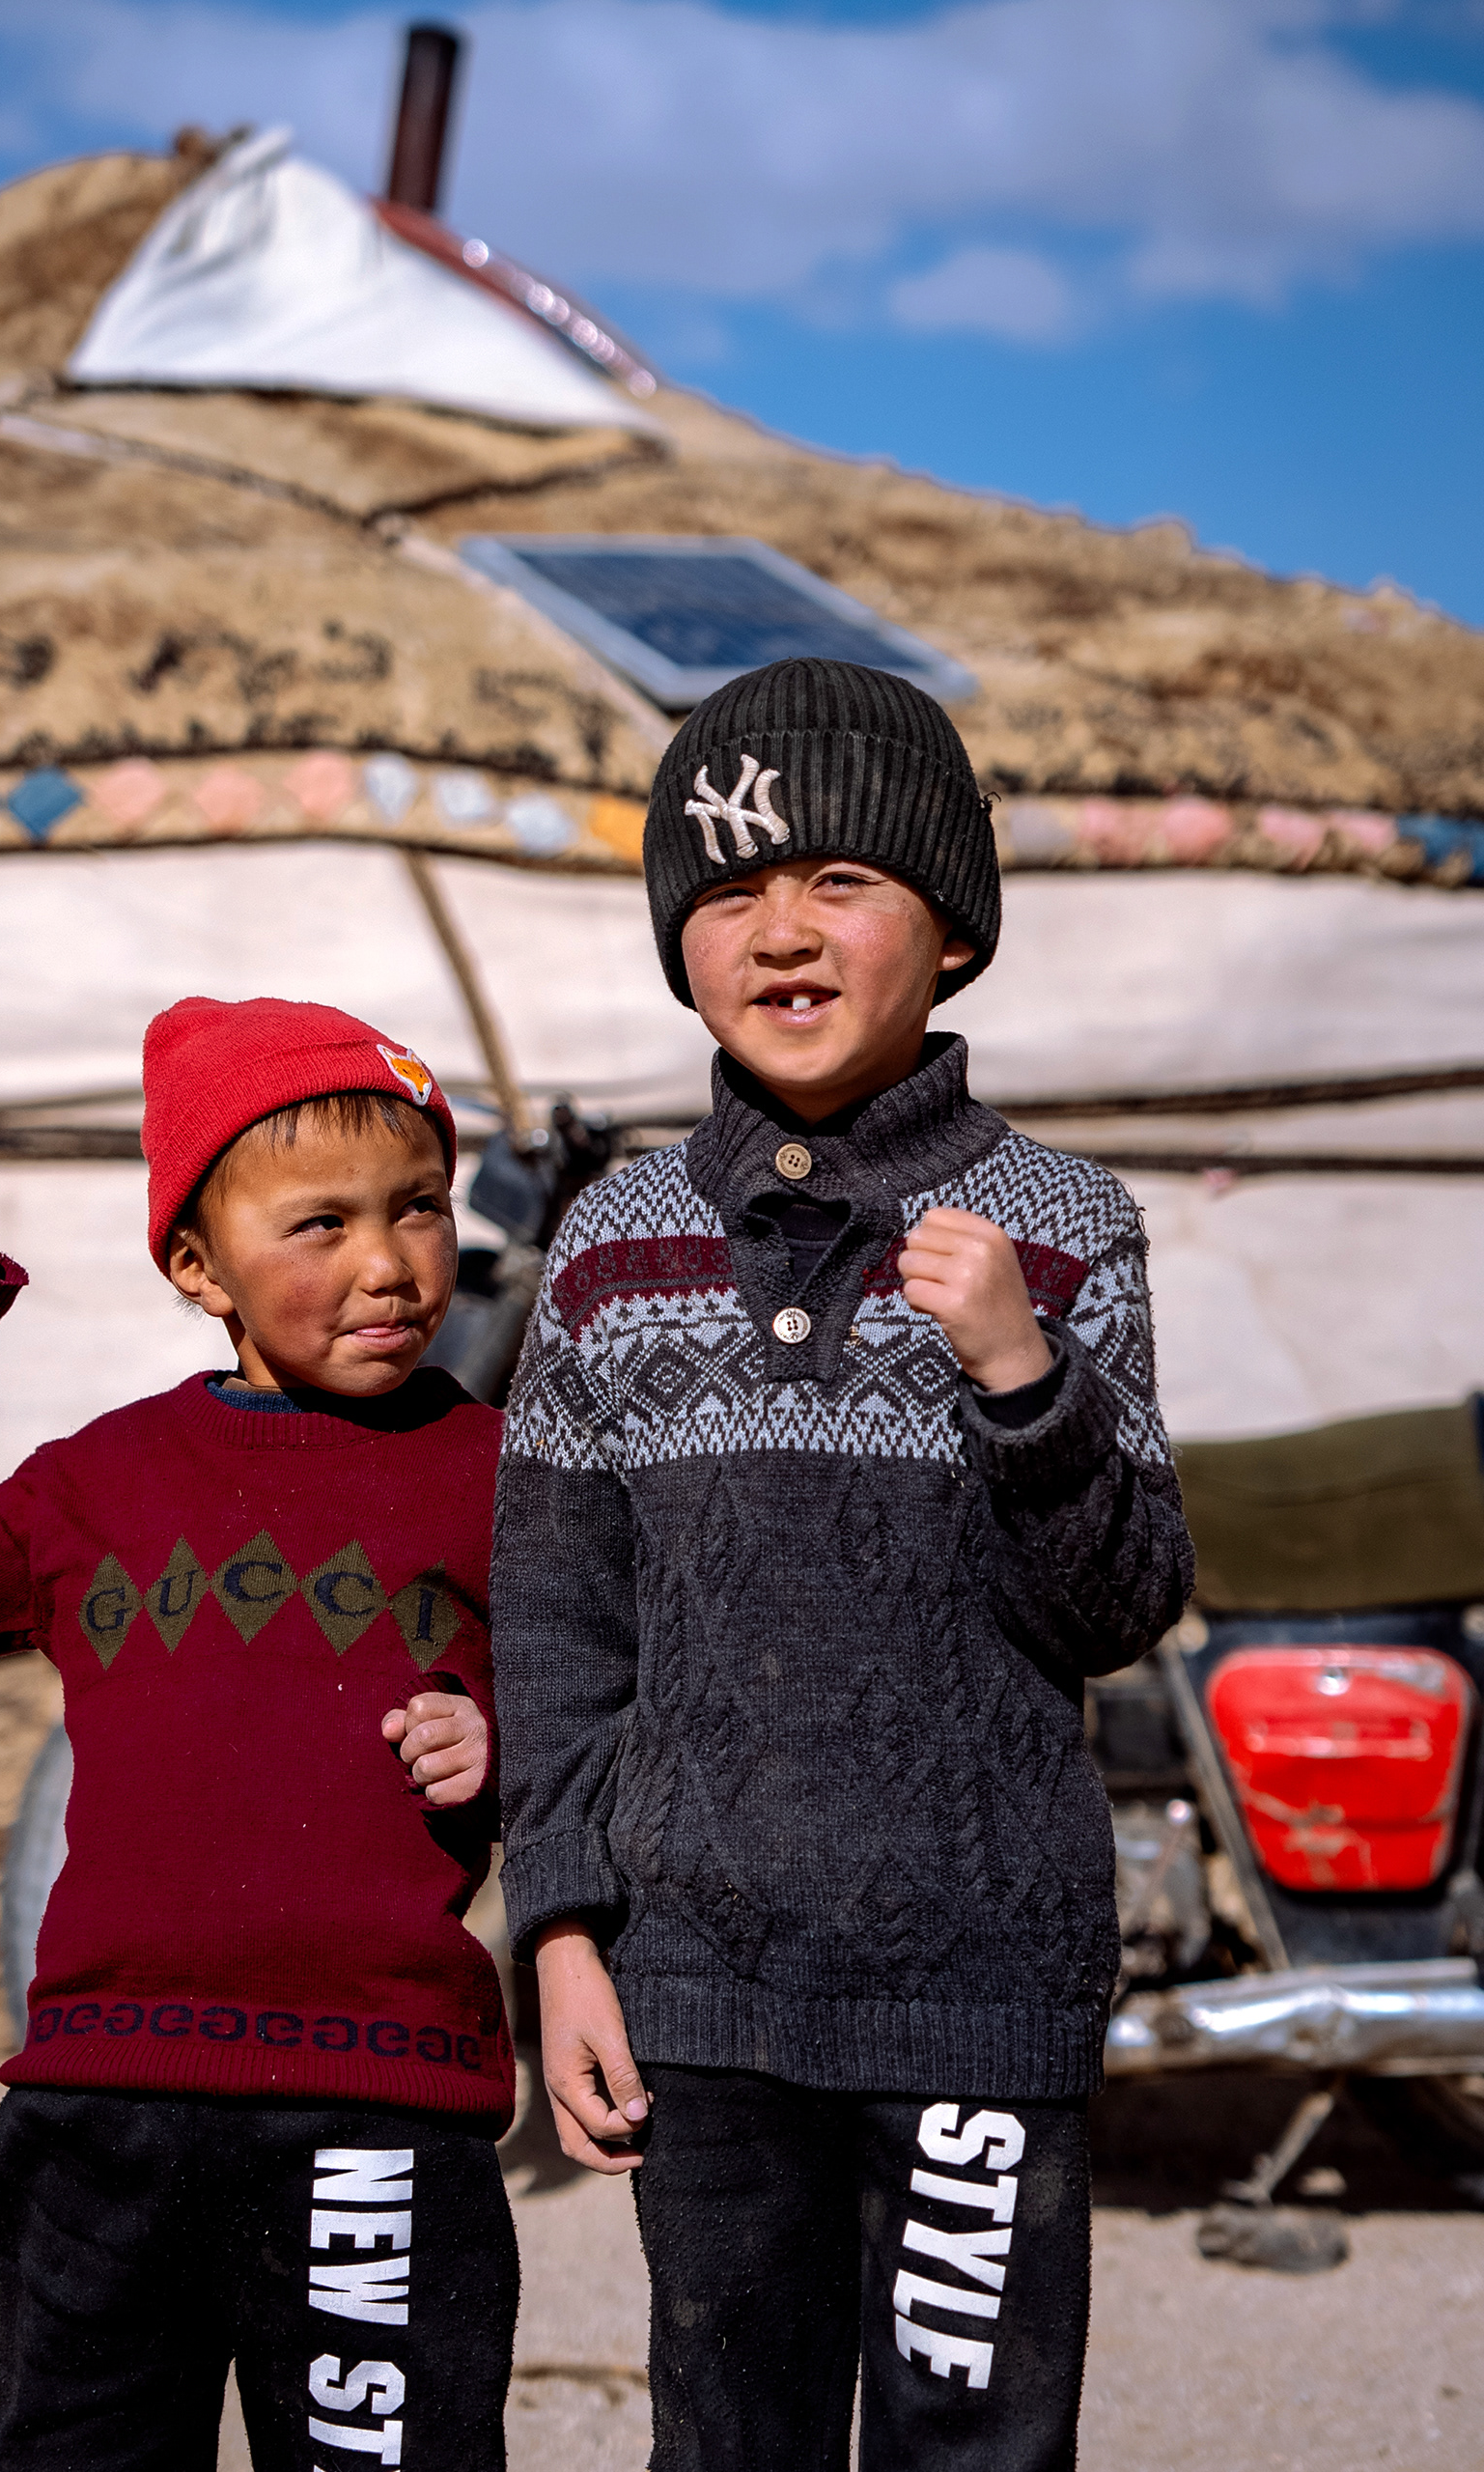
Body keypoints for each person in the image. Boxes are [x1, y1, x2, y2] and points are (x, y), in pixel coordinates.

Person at [491, 660, 1193, 2472]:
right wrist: (563, 1935)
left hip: (976, 1980)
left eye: (839, 883)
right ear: (678, 947)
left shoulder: (1062, 1225)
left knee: (973, 2453)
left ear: (950, 932)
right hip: (699, 1987)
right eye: (727, 891)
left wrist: (1024, 1381)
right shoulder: (612, 1245)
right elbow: (559, 1625)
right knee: (731, 2444)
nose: (781, 932)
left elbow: (1121, 1609)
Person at [0, 997, 518, 2472]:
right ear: (199, 1267)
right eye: (318, 1227)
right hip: (104, 2096)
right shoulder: (108, 1480)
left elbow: (616, 1681)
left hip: (376, 2095)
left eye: (419, 1211)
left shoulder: (495, 1474)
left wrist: (498, 1731)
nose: (387, 1265)